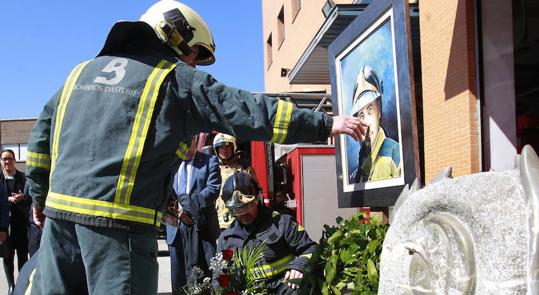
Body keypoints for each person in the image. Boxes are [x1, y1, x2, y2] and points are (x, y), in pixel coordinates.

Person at [25, 1, 366, 294]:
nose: (191, 64)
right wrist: (324, 123)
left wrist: (39, 199)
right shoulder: (173, 78)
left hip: (58, 224)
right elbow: (244, 109)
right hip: (119, 231)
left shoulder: (78, 74)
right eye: (192, 55)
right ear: (173, 34)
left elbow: (41, 141)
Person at [217, 171, 316, 294]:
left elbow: (311, 249)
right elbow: (220, 277)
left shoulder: (282, 223)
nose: (243, 215)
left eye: (248, 207)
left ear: (258, 198)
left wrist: (299, 266)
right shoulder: (226, 239)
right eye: (237, 211)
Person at [167, 134, 221, 294]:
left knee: (202, 277)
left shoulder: (209, 161)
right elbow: (166, 192)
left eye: (185, 144)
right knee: (178, 279)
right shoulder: (171, 163)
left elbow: (212, 190)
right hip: (175, 229)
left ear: (194, 141)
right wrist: (177, 211)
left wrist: (187, 207)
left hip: (200, 228)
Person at [350, 65, 401, 183]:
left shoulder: (395, 154)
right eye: (361, 115)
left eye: (370, 110)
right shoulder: (357, 172)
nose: (366, 122)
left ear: (379, 110)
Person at [212, 133, 255, 230]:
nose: (224, 151)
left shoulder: (244, 168)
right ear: (217, 150)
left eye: (227, 147)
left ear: (233, 148)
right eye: (221, 148)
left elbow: (255, 193)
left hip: (243, 218)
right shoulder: (213, 171)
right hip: (220, 222)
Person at [1, 149, 28, 293]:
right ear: (1, 161)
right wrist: (8, 199)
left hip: (22, 225)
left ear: (15, 160)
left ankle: (22, 285)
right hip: (4, 227)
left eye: (10, 159)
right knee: (7, 257)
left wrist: (22, 197)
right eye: (4, 159)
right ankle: (11, 286)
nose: (7, 162)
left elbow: (30, 199)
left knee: (23, 256)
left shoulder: (24, 178)